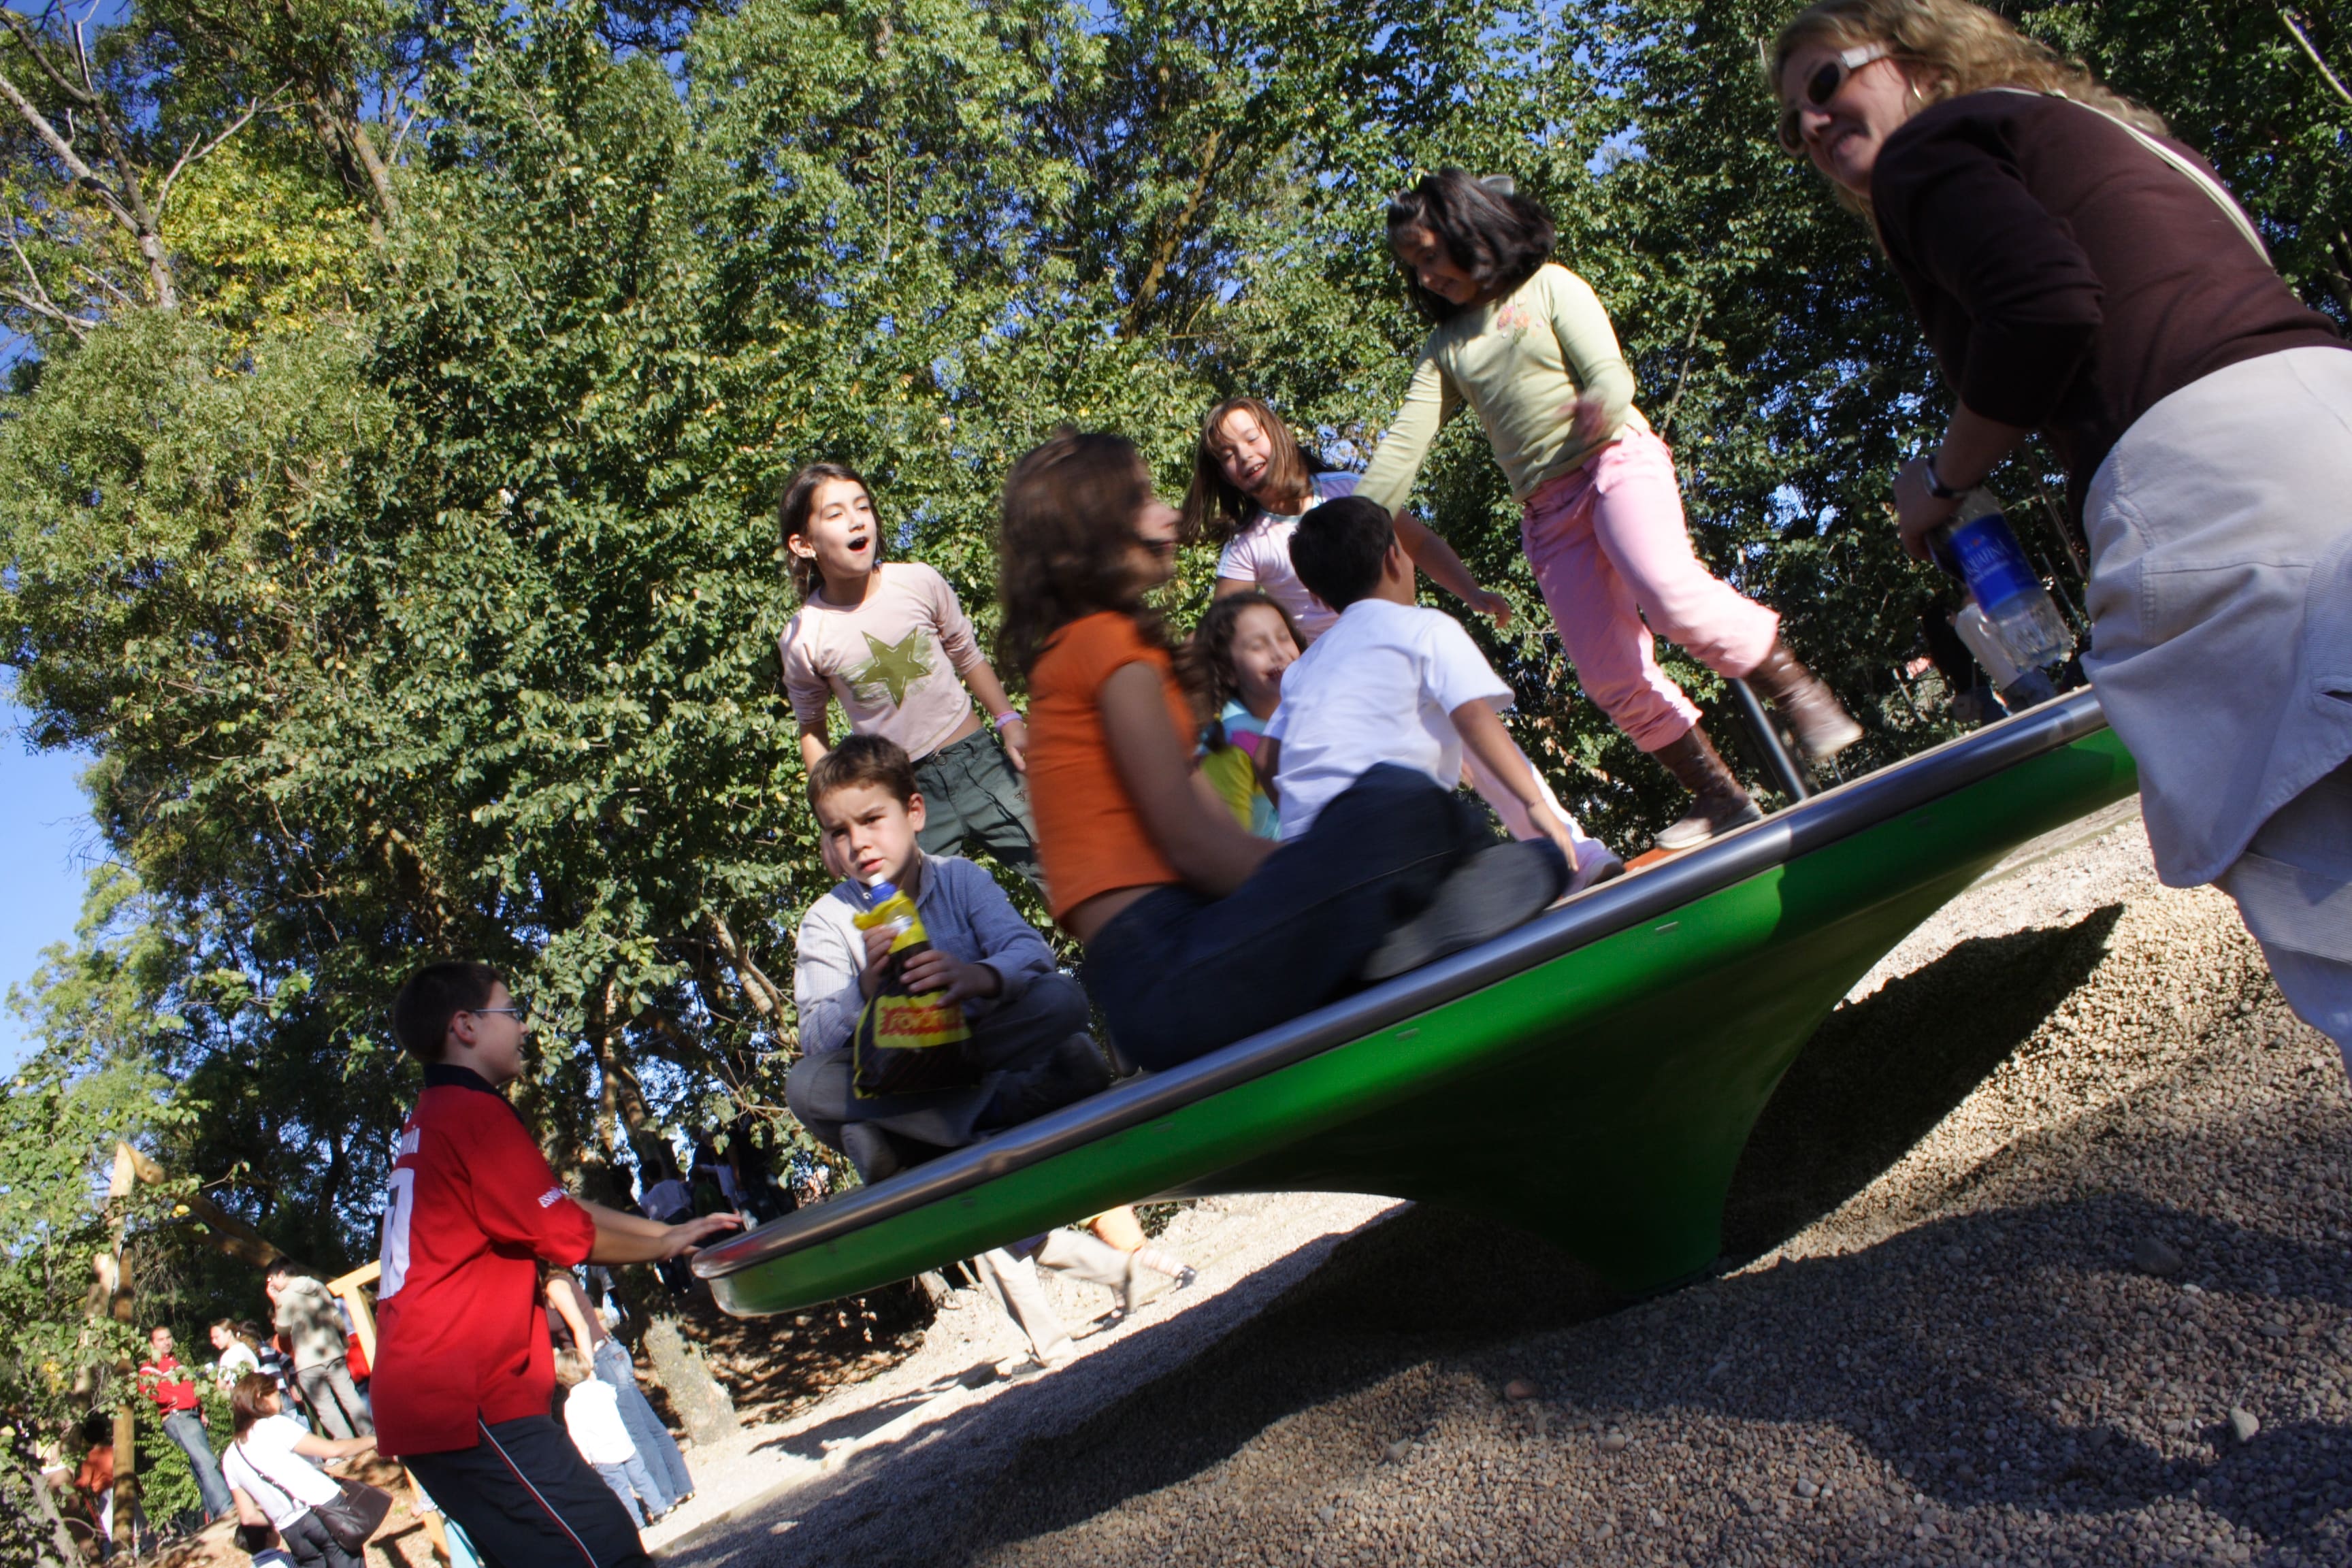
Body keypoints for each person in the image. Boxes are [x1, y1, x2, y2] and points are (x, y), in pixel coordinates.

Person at [1770, 0, 2352, 1062]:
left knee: (2328, 886)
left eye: (1823, 86)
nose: (1809, 128)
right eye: (1787, 125)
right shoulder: (2116, 141)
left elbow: (2043, 309)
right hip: (2327, 418)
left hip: (2222, 494)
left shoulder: (1930, 151)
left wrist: (1942, 481)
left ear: (1915, 57)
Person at [1000, 429, 1566, 1073]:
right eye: (1143, 500)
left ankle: (1380, 942)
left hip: (1182, 963)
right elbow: (1198, 847)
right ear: (1093, 532)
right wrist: (1328, 872)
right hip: (1168, 972)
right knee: (1402, 803)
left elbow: (1207, 829)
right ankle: (1393, 924)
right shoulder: (1103, 646)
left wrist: (1318, 877)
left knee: (1384, 806)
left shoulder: (1103, 653)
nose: (1170, 516)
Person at [1355, 169, 1863, 851]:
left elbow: (1609, 374)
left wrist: (1600, 402)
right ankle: (1718, 795)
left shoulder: (1550, 287)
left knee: (1670, 594)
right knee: (1605, 671)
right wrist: (1352, 522)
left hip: (1613, 462)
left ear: (1467, 233)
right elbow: (1402, 447)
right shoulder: (1446, 349)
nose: (1422, 278)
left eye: (1428, 256)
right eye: (1410, 267)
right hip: (1547, 510)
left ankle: (1801, 695)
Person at [370, 961, 742, 1568]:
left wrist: (668, 1234)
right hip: (465, 1399)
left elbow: (557, 1208)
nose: (522, 1028)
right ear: (464, 1026)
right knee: (602, 1545)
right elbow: (564, 1232)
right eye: (510, 1013)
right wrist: (665, 1245)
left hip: (435, 1398)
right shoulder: (473, 1116)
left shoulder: (434, 1115)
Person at [1188, 397, 1598, 847]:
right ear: (1220, 473)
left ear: (1277, 433)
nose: (1244, 456)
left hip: (1395, 651)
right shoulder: (1249, 545)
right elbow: (1223, 629)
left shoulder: (1345, 489)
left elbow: (1418, 543)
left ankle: (1570, 847)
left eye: (1251, 438)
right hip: (1338, 682)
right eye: (1227, 454)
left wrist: (1470, 590)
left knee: (1476, 734)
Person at [1265, 494, 1624, 974]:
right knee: (1535, 863)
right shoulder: (1424, 628)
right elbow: (1475, 720)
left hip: (1309, 876)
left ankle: (1378, 948)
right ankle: (1435, 930)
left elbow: (1266, 760)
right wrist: (1537, 808)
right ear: (1397, 556)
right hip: (1389, 846)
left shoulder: (1302, 671)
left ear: (1317, 598)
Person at [786, 734, 1111, 1181]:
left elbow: (1030, 952)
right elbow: (816, 1040)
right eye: (839, 832)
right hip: (903, 1071)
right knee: (805, 1087)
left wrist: (977, 977)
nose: (859, 843)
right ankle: (1010, 1100)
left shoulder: (959, 878)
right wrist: (865, 991)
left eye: (872, 819)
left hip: (983, 1043)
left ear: (914, 813)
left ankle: (911, 1141)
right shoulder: (829, 919)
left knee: (1061, 997)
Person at [779, 462, 1044, 887]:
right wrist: (833, 822)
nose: (855, 519)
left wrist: (1009, 721)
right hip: (899, 794)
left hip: (979, 760)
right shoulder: (805, 635)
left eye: (862, 506)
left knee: (1068, 868)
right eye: (835, 514)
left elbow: (967, 655)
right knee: (916, 927)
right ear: (804, 543)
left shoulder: (917, 581)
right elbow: (813, 731)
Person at [542, 1269, 693, 1514]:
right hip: (607, 1355)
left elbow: (581, 1328)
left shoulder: (555, 1286)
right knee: (646, 1424)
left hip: (599, 1359)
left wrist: (586, 1371)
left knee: (637, 1431)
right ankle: (680, 1486)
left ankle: (666, 1497)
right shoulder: (558, 1284)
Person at [220, 1371, 374, 1568]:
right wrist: (374, 1440)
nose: (281, 1399)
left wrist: (276, 1513)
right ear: (260, 1397)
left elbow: (248, 1517)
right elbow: (334, 1449)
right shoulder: (273, 1425)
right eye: (276, 1394)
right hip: (325, 1508)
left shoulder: (231, 1457)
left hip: (292, 1530)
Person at [1181, 591, 1301, 837]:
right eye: (1258, 646)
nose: (1278, 653)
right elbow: (1229, 842)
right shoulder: (1231, 745)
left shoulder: (1308, 719)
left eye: (1283, 637)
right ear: (1227, 672)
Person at [553, 1352, 665, 1528]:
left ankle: (636, 1522)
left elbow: (577, 1435)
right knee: (641, 1478)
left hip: (603, 1455)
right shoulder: (602, 1387)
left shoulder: (572, 1405)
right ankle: (659, 1508)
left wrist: (586, 1459)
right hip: (624, 1444)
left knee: (620, 1490)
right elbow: (614, 1395)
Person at [263, 1264, 372, 1441]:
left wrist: (276, 1301)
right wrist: (343, 1342)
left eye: (271, 1279)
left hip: (308, 1361)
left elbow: (282, 1330)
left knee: (326, 1406)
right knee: (350, 1396)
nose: (271, 1284)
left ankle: (349, 1446)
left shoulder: (284, 1296)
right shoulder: (316, 1285)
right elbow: (336, 1315)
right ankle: (371, 1435)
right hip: (333, 1352)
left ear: (281, 1274)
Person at [139, 1324, 233, 1522]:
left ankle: (215, 1511)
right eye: (160, 1339)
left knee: (199, 1463)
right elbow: (145, 1387)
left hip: (192, 1415)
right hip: (178, 1417)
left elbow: (190, 1389)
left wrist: (201, 1411)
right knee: (206, 1461)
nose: (166, 1342)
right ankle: (226, 1508)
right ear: (152, 1344)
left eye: (168, 1338)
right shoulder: (151, 1366)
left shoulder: (176, 1363)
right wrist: (168, 1401)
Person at [212, 1320, 262, 1392]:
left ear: (229, 1333)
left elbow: (220, 1386)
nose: (213, 1341)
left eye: (217, 1337)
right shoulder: (245, 1348)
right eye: (212, 1338)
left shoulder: (229, 1355)